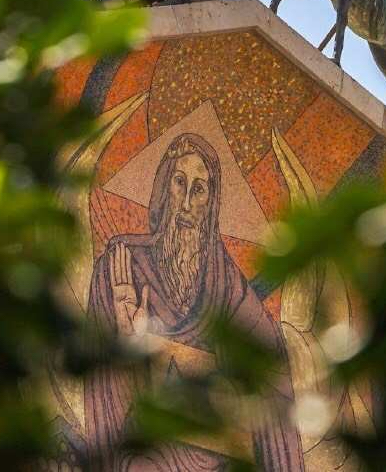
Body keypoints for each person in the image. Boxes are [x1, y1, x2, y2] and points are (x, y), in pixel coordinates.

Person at [84, 132, 304, 471]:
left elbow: (270, 363)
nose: (186, 202)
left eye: (199, 189)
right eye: (179, 182)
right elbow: (99, 379)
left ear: (211, 203)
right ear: (163, 187)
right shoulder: (127, 263)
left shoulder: (226, 284)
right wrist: (125, 339)